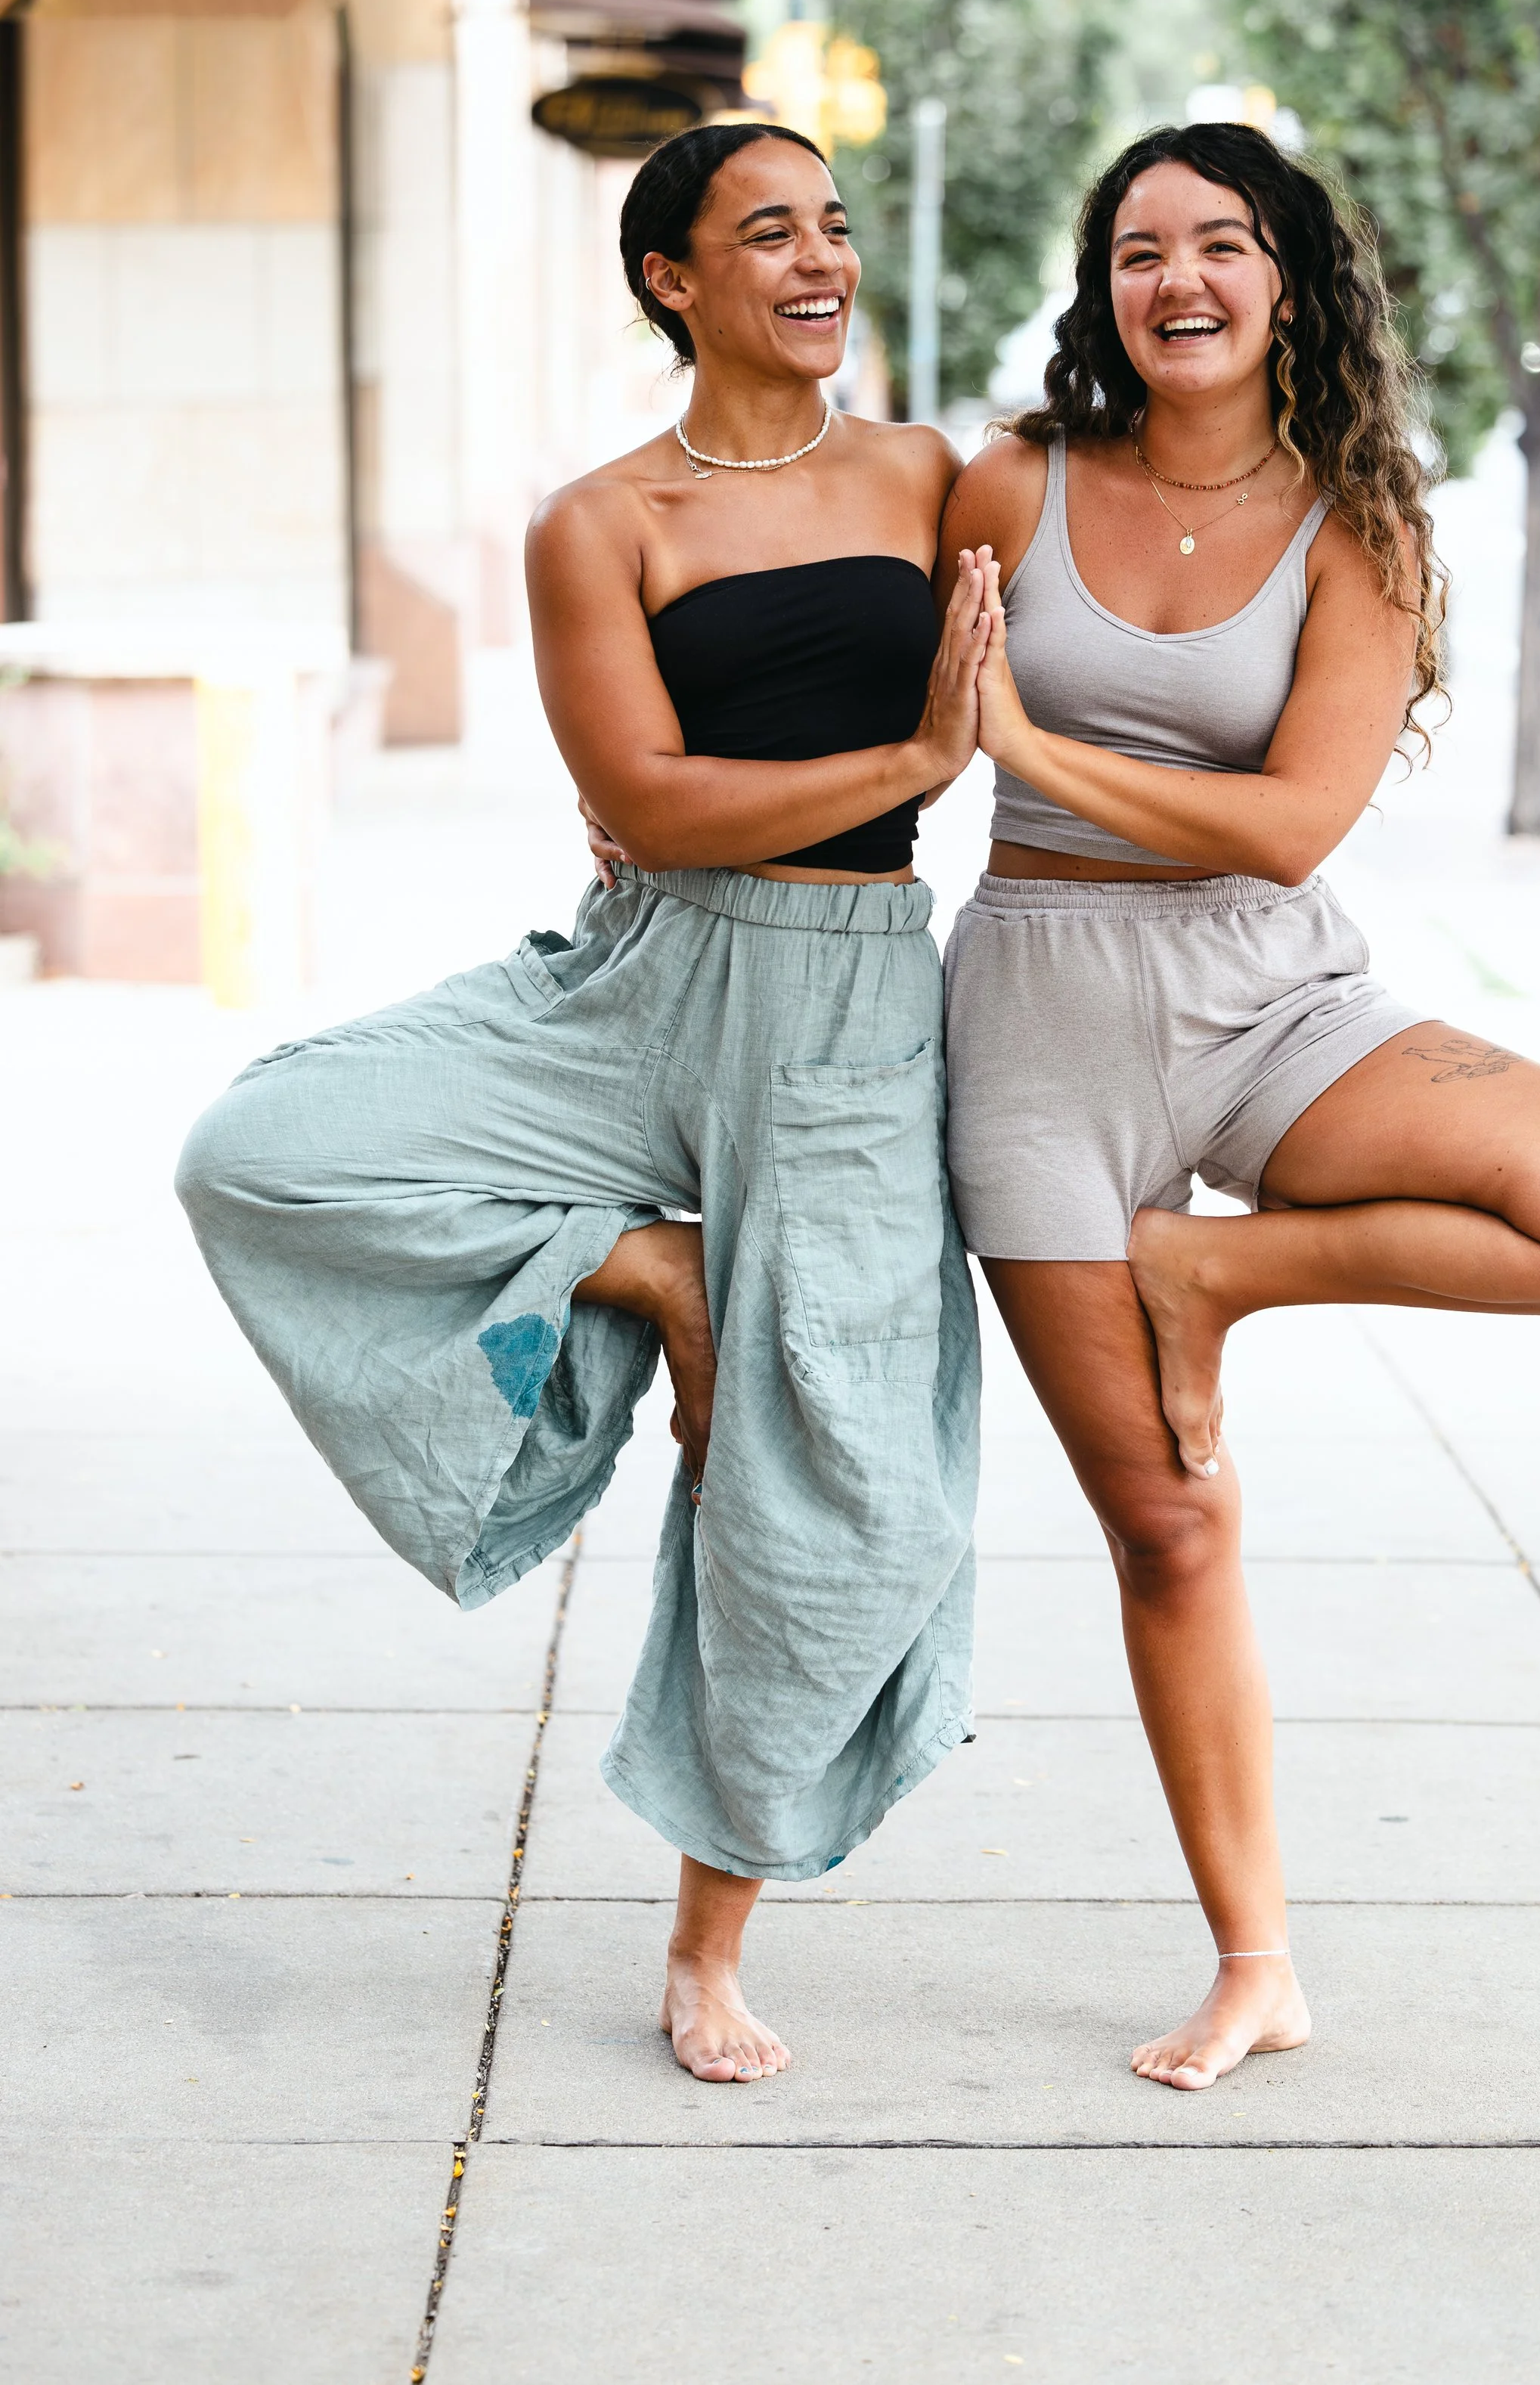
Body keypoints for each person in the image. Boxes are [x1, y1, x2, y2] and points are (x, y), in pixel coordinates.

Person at [178, 122, 996, 2086]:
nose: (819, 258)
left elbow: (1126, 583)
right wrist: (912, 747)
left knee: (835, 1498)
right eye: (765, 232)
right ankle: (635, 1264)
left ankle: (710, 1941)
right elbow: (646, 800)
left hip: (851, 1014)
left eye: (834, 225)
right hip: (637, 982)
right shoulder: (599, 522)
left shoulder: (934, 477)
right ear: (670, 280)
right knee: (261, 1144)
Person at [939, 122, 1540, 2090]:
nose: (1171, 276)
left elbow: (1291, 822)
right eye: (1133, 248)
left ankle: (1218, 1275)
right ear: (1099, 289)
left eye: (1215, 240)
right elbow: (866, 685)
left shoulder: (1357, 514)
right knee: (1170, 1526)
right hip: (1034, 1012)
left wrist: (1031, 738)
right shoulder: (1008, 482)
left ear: (1287, 276)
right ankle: (1254, 1957)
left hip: (1275, 992)